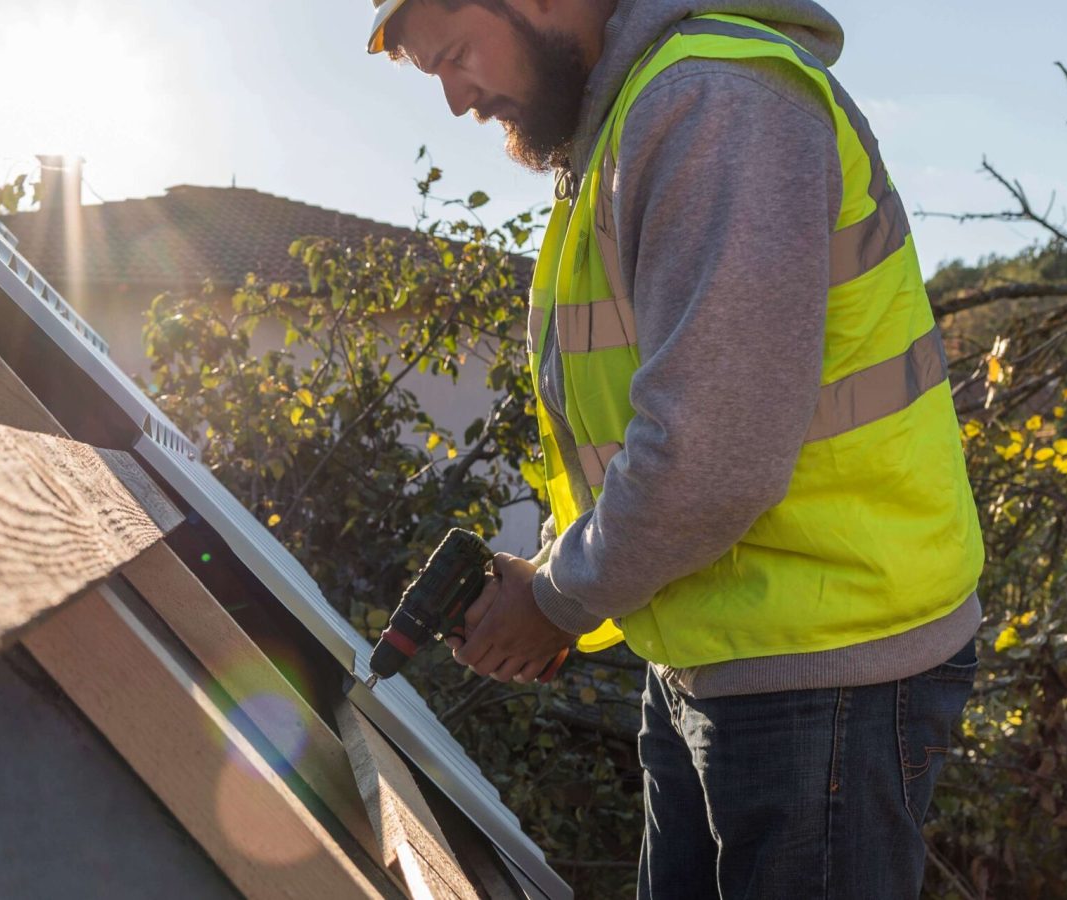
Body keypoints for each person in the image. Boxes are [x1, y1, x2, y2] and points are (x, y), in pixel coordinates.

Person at [366, 1, 985, 896]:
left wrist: (558, 601)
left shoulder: (710, 101)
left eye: (459, 55)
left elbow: (709, 457)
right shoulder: (623, 121)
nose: (460, 101)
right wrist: (552, 576)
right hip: (715, 643)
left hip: (824, 666)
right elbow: (652, 424)